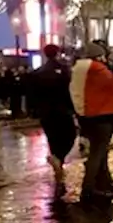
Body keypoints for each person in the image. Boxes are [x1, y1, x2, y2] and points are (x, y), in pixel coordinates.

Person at [71, 43, 113, 200]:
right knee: (98, 153)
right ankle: (89, 187)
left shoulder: (79, 68)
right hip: (101, 115)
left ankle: (104, 182)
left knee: (101, 152)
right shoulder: (97, 69)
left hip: (89, 115)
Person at [27, 45, 77, 187]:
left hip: (46, 111)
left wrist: (33, 110)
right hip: (63, 109)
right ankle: (59, 159)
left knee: (53, 138)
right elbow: (69, 91)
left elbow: (32, 94)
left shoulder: (38, 73)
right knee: (69, 135)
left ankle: (58, 162)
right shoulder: (64, 70)